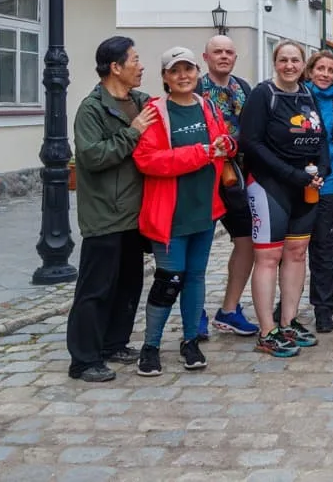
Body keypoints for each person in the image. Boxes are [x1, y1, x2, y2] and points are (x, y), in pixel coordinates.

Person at [133, 46, 237, 376]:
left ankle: (190, 341)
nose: (183, 76)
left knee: (195, 278)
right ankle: (150, 346)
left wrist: (226, 145)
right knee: (168, 280)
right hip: (170, 214)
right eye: (175, 71)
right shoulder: (156, 112)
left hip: (203, 210)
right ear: (165, 76)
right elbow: (147, 160)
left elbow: (222, 142)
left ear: (197, 72)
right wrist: (201, 152)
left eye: (188, 69)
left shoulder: (207, 107)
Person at [65, 37, 155, 383]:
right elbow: (92, 157)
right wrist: (132, 134)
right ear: (115, 67)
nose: (141, 66)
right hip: (105, 213)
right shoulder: (92, 109)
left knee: (129, 284)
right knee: (95, 289)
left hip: (135, 212)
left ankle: (114, 343)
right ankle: (84, 360)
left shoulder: (140, 101)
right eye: (134, 60)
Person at [241, 40, 331, 357]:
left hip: (304, 186)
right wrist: (290, 174)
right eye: (283, 60)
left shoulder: (307, 93)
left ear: (303, 65)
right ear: (275, 62)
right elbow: (251, 143)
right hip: (270, 185)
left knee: (297, 253)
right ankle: (267, 331)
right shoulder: (262, 94)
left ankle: (288, 321)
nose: (289, 66)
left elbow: (321, 137)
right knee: (268, 257)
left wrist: (323, 168)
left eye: (295, 60)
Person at [195, 35, 259, 341]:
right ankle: (194, 313)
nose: (223, 56)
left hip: (236, 180)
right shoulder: (195, 88)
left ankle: (229, 309)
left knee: (247, 242)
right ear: (205, 57)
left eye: (229, 52)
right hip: (203, 179)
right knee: (198, 249)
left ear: (235, 57)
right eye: (217, 51)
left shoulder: (243, 88)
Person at [304, 50, 333, 334]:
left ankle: (323, 307)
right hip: (295, 181)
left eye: (330, 70)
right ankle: (286, 303)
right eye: (320, 68)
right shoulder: (298, 98)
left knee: (323, 248)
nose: (325, 74)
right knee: (292, 249)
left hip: (327, 184)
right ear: (310, 71)